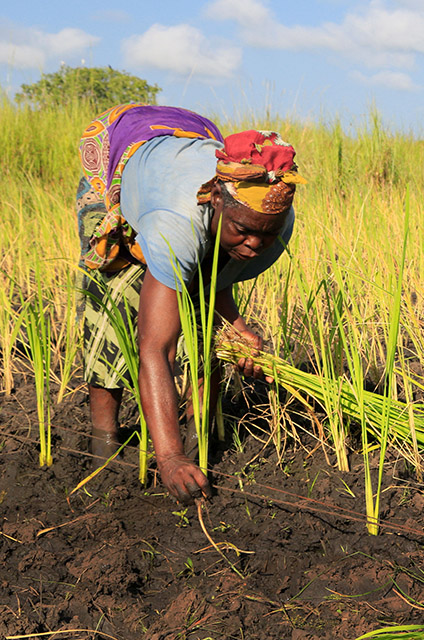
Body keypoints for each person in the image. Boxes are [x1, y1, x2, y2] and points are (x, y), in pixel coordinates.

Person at [76, 104, 305, 503]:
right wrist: (169, 456)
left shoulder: (274, 222)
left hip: (188, 138)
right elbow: (156, 349)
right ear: (215, 199)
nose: (254, 245)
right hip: (122, 156)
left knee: (202, 329)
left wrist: (236, 328)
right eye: (243, 232)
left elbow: (211, 281)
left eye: (263, 236)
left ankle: (201, 444)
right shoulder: (176, 224)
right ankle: (103, 446)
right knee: (113, 304)